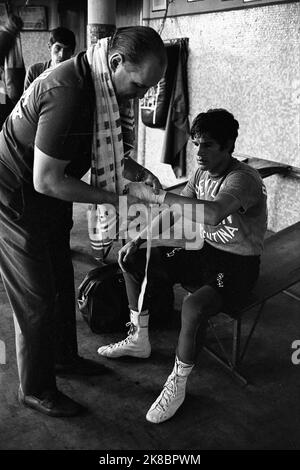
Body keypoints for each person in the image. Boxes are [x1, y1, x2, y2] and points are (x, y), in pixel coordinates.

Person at [0, 26, 167, 417]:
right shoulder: (70, 91)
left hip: (46, 193)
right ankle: (35, 389)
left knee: (60, 279)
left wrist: (137, 172)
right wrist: (118, 199)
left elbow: (102, 151)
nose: (140, 97)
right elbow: (47, 179)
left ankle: (63, 359)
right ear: (116, 62)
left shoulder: (101, 87)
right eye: (139, 86)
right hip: (15, 195)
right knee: (37, 297)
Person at [98, 109, 268, 424]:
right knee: (134, 258)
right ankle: (139, 338)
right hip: (206, 252)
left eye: (208, 146)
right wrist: (140, 239)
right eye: (196, 144)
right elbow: (176, 210)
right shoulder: (202, 173)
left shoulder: (242, 179)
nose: (199, 153)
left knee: (193, 306)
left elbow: (214, 213)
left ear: (228, 145)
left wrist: (161, 196)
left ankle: (178, 383)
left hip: (237, 266)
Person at [0, 14, 24, 127]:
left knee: (5, 106)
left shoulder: (6, 36)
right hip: (2, 82)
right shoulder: (6, 38)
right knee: (4, 107)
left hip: (2, 81)